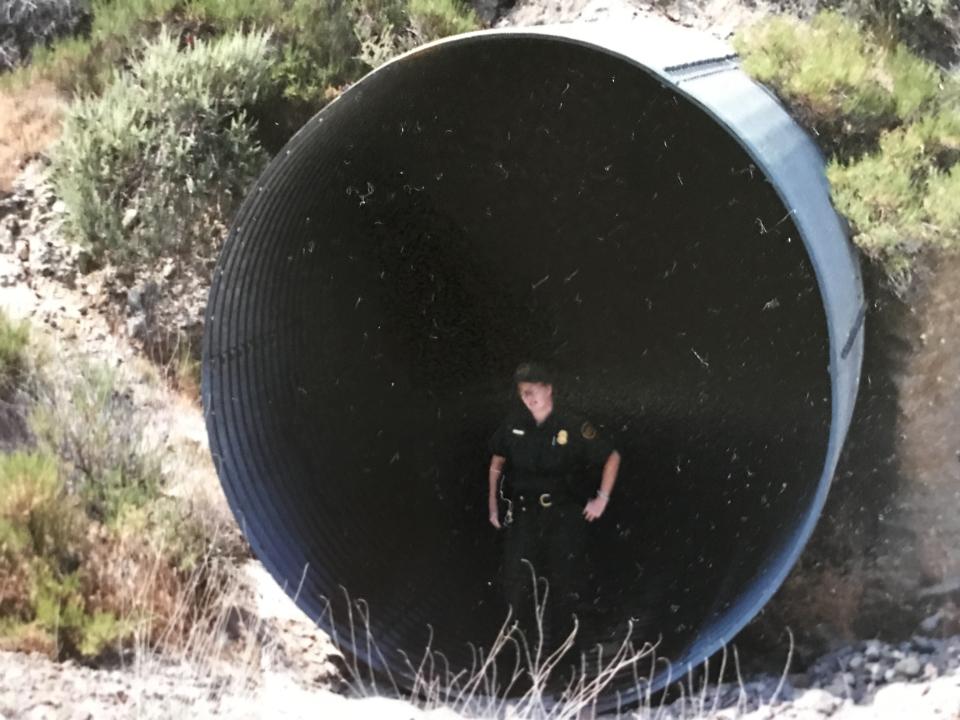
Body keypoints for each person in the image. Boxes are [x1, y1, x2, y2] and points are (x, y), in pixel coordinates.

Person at [487, 361, 621, 658]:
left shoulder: (571, 425)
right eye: (523, 393)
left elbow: (611, 457)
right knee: (516, 582)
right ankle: (517, 657)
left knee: (566, 583)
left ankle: (567, 656)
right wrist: (493, 504)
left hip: (563, 514)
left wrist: (602, 499)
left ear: (549, 389)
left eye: (533, 391)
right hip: (525, 515)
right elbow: (497, 462)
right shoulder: (513, 424)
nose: (529, 398)